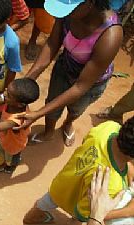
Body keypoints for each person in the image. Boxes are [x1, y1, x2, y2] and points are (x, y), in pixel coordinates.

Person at [17, 0, 123, 147]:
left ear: (90, 3)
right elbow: (52, 43)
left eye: (69, 9)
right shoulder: (68, 14)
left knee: (75, 109)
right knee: (52, 102)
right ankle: (49, 132)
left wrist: (37, 114)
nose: (65, 13)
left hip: (90, 83)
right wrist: (26, 81)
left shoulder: (110, 35)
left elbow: (81, 87)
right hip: (65, 66)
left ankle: (68, 124)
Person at [23, 117, 134, 224]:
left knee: (42, 205)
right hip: (74, 204)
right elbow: (84, 213)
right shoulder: (112, 184)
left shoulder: (109, 127)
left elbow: (86, 140)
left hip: (61, 184)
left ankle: (32, 218)